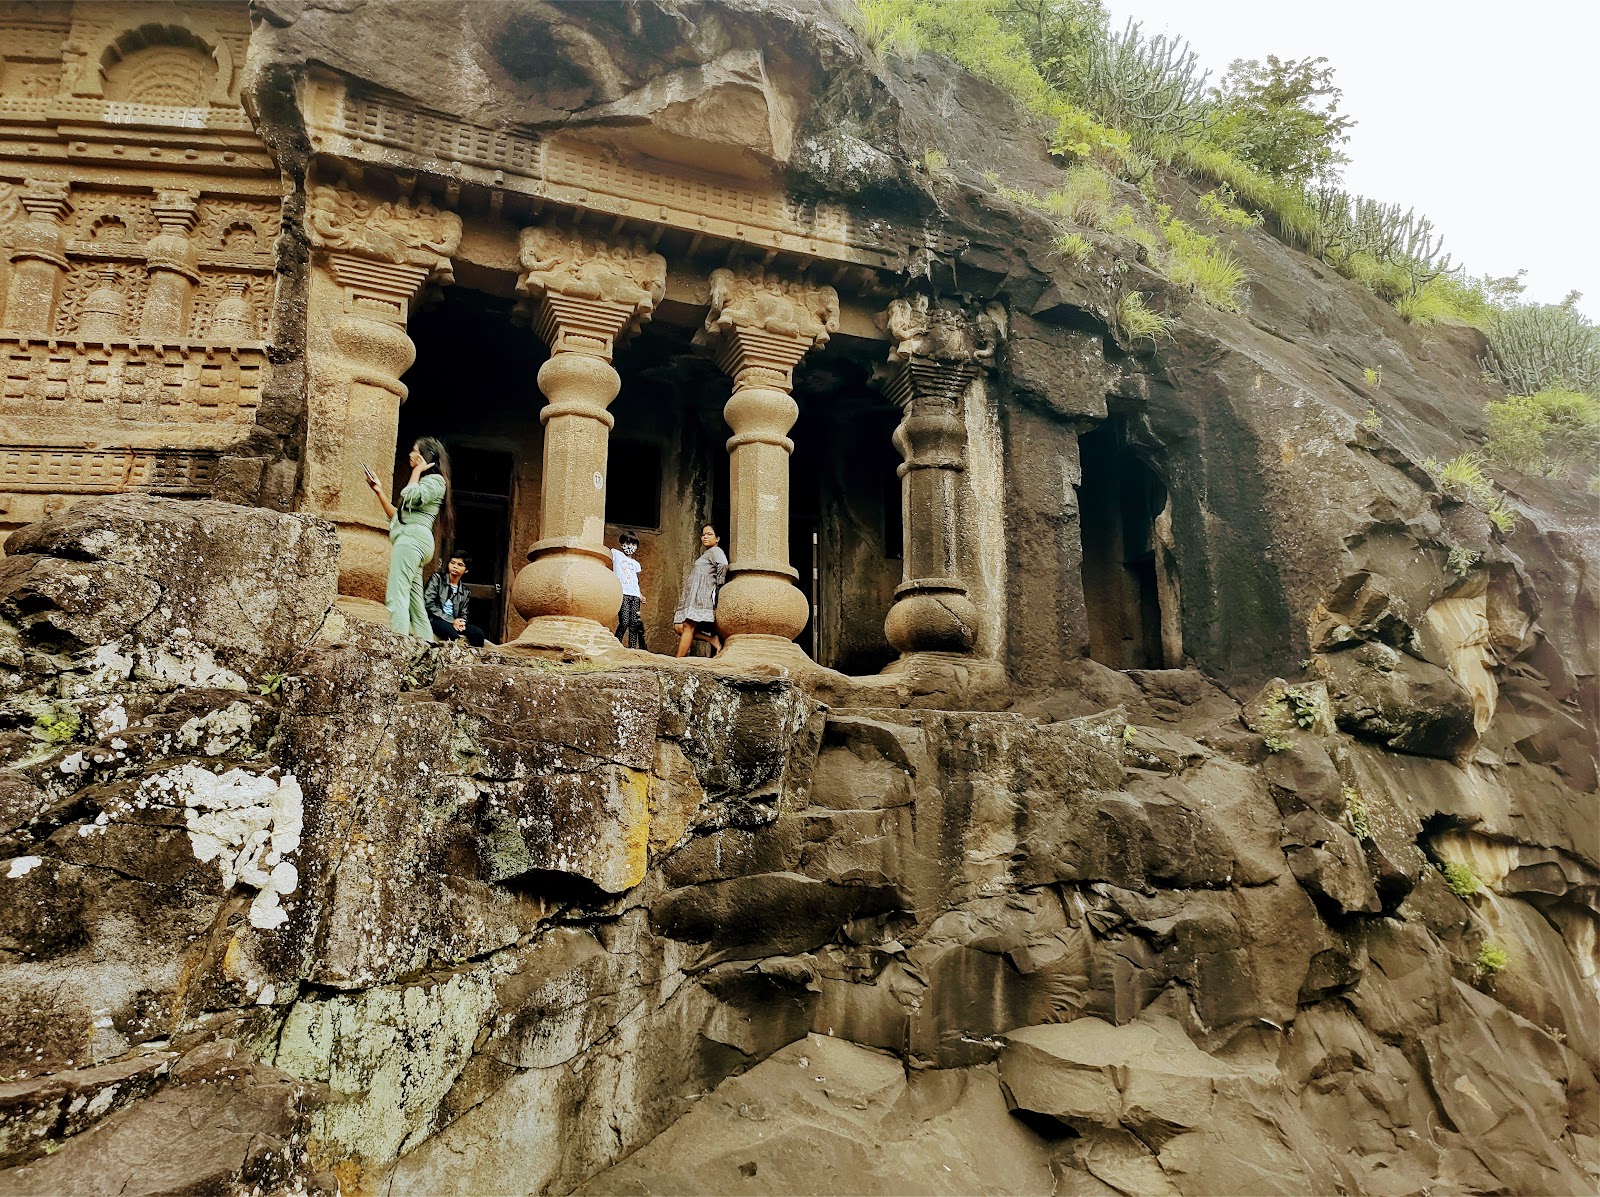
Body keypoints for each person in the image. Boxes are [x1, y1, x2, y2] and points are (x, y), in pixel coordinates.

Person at [365, 437, 453, 639]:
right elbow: (399, 516)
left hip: (412, 541)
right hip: (412, 539)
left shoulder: (435, 480)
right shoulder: (427, 481)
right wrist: (379, 491)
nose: (410, 454)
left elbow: (410, 495)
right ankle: (426, 645)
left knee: (397, 594)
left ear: (424, 456)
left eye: (414, 450)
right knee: (415, 602)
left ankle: (398, 644)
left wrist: (416, 472)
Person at [673, 524, 727, 658]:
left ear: (718, 538)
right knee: (679, 627)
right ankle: (711, 640)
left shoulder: (716, 551)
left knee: (687, 626)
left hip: (702, 595)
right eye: (703, 535)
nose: (705, 537)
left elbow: (723, 564)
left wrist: (719, 584)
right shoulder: (707, 554)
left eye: (709, 534)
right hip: (694, 595)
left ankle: (678, 660)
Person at [425, 552, 486, 647]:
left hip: (455, 622)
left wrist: (462, 623)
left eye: (460, 564)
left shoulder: (465, 592)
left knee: (478, 634)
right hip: (435, 619)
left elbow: (463, 613)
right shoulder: (437, 579)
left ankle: (475, 659)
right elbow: (429, 604)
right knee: (451, 634)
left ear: (466, 570)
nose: (455, 566)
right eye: (452, 563)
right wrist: (451, 621)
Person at [611, 532, 647, 650]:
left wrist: (640, 595)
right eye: (627, 543)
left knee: (634, 624)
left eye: (633, 543)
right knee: (624, 621)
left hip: (635, 595)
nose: (630, 546)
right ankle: (616, 644)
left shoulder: (636, 564)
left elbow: (635, 580)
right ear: (621, 544)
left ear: (636, 546)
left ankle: (632, 648)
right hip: (623, 594)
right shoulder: (615, 554)